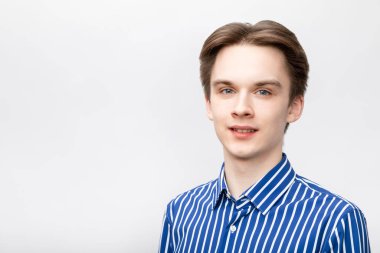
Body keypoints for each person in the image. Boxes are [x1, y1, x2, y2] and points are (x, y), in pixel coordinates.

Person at [158, 20, 371, 252]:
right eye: (227, 90)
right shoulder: (180, 212)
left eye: (263, 92)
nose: (241, 108)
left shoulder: (334, 222)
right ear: (209, 104)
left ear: (294, 107)